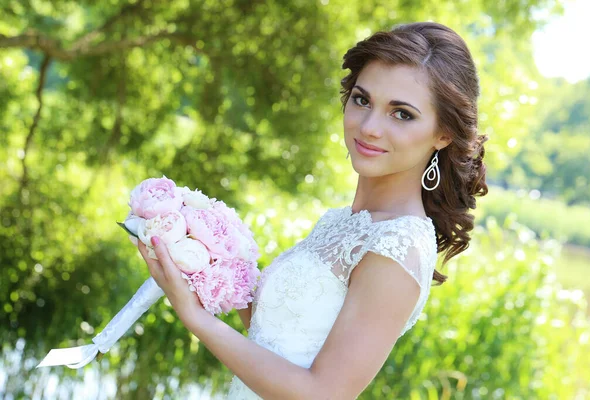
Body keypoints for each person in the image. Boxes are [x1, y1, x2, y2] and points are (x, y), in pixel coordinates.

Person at [138, 21, 488, 399]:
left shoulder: (398, 246)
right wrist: (212, 258)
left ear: (443, 134)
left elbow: (324, 393)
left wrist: (195, 318)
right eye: (362, 99)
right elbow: (275, 337)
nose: (369, 127)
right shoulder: (340, 223)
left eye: (401, 114)